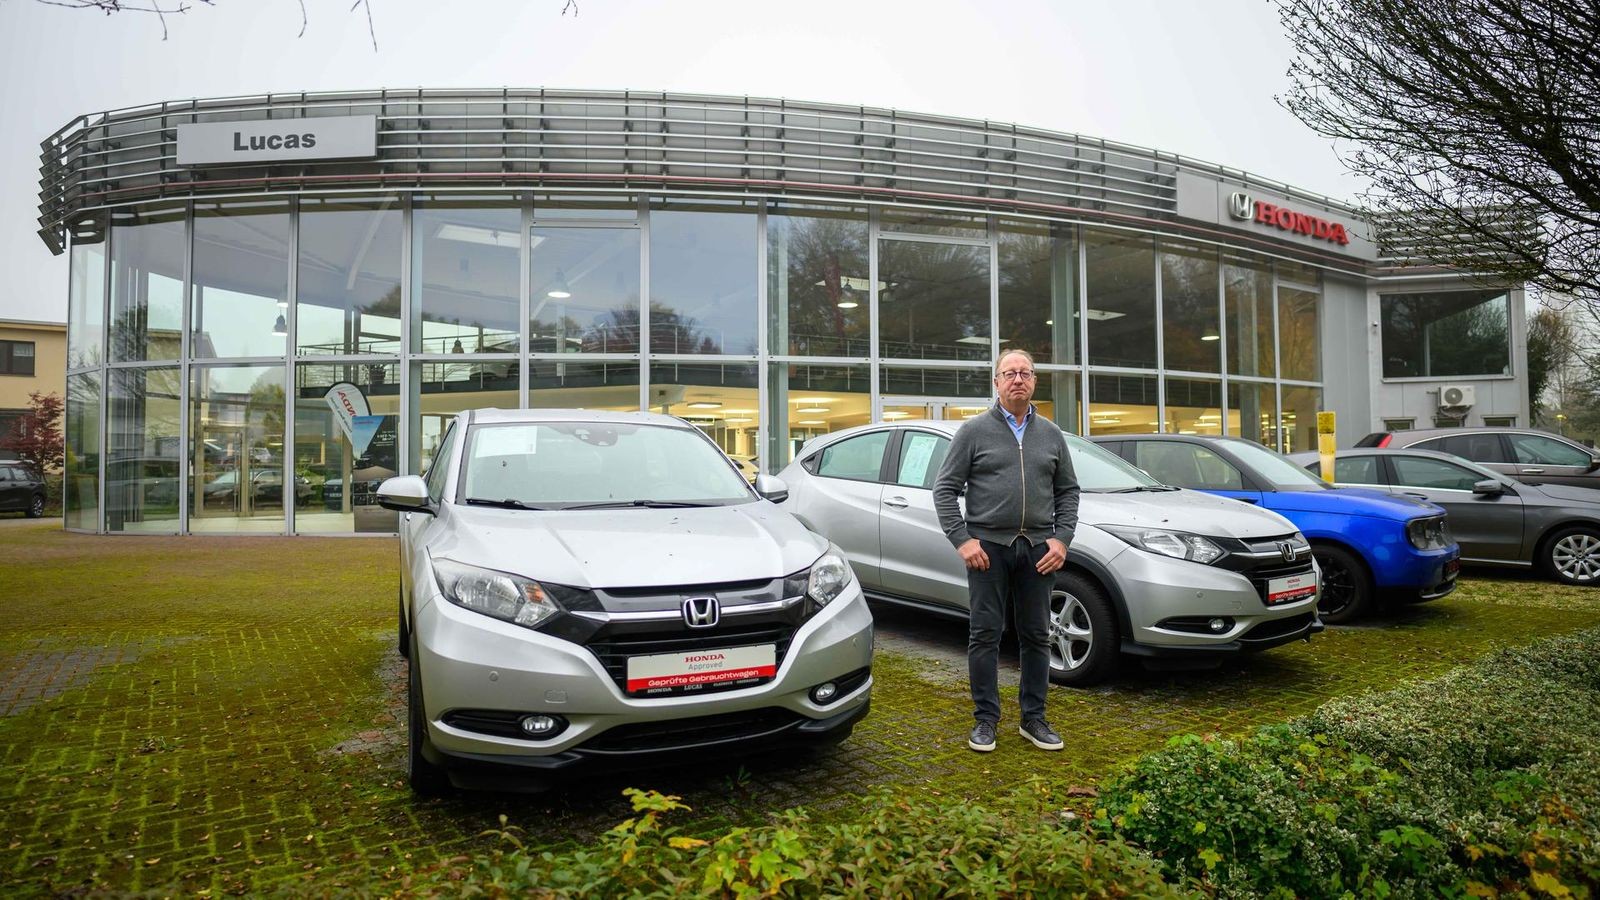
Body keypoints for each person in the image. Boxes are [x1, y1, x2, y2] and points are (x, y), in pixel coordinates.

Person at [932, 349, 1080, 752]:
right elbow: (944, 490)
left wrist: (1062, 538)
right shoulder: (973, 431)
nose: (1018, 379)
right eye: (1009, 373)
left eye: (1025, 373)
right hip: (988, 549)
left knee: (1036, 634)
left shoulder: (1051, 434)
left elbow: (1068, 490)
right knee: (985, 635)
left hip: (1038, 549)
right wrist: (962, 540)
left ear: (1034, 382)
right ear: (996, 382)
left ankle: (1033, 719)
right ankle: (986, 720)